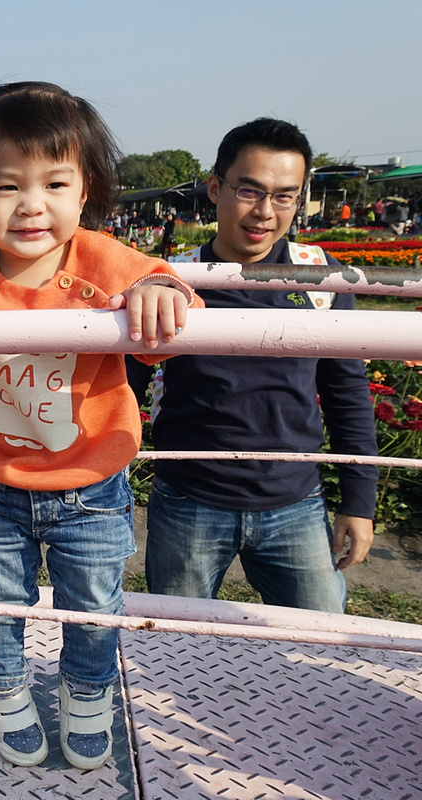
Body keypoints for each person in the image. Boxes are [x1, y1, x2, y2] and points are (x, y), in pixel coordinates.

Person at [0, 81, 197, 770]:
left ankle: (87, 695)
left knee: (93, 605)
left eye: (55, 182)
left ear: (85, 191)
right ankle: (4, 692)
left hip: (93, 482)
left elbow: (169, 299)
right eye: (5, 186)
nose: (32, 205)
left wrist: (154, 292)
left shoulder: (102, 259)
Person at [131, 117, 377, 615]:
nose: (265, 212)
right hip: (189, 501)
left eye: (285, 195)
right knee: (174, 651)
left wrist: (359, 502)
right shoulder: (174, 281)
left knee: (316, 650)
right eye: (249, 190)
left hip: (296, 502)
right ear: (215, 188)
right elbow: (124, 386)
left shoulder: (319, 280)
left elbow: (348, 393)